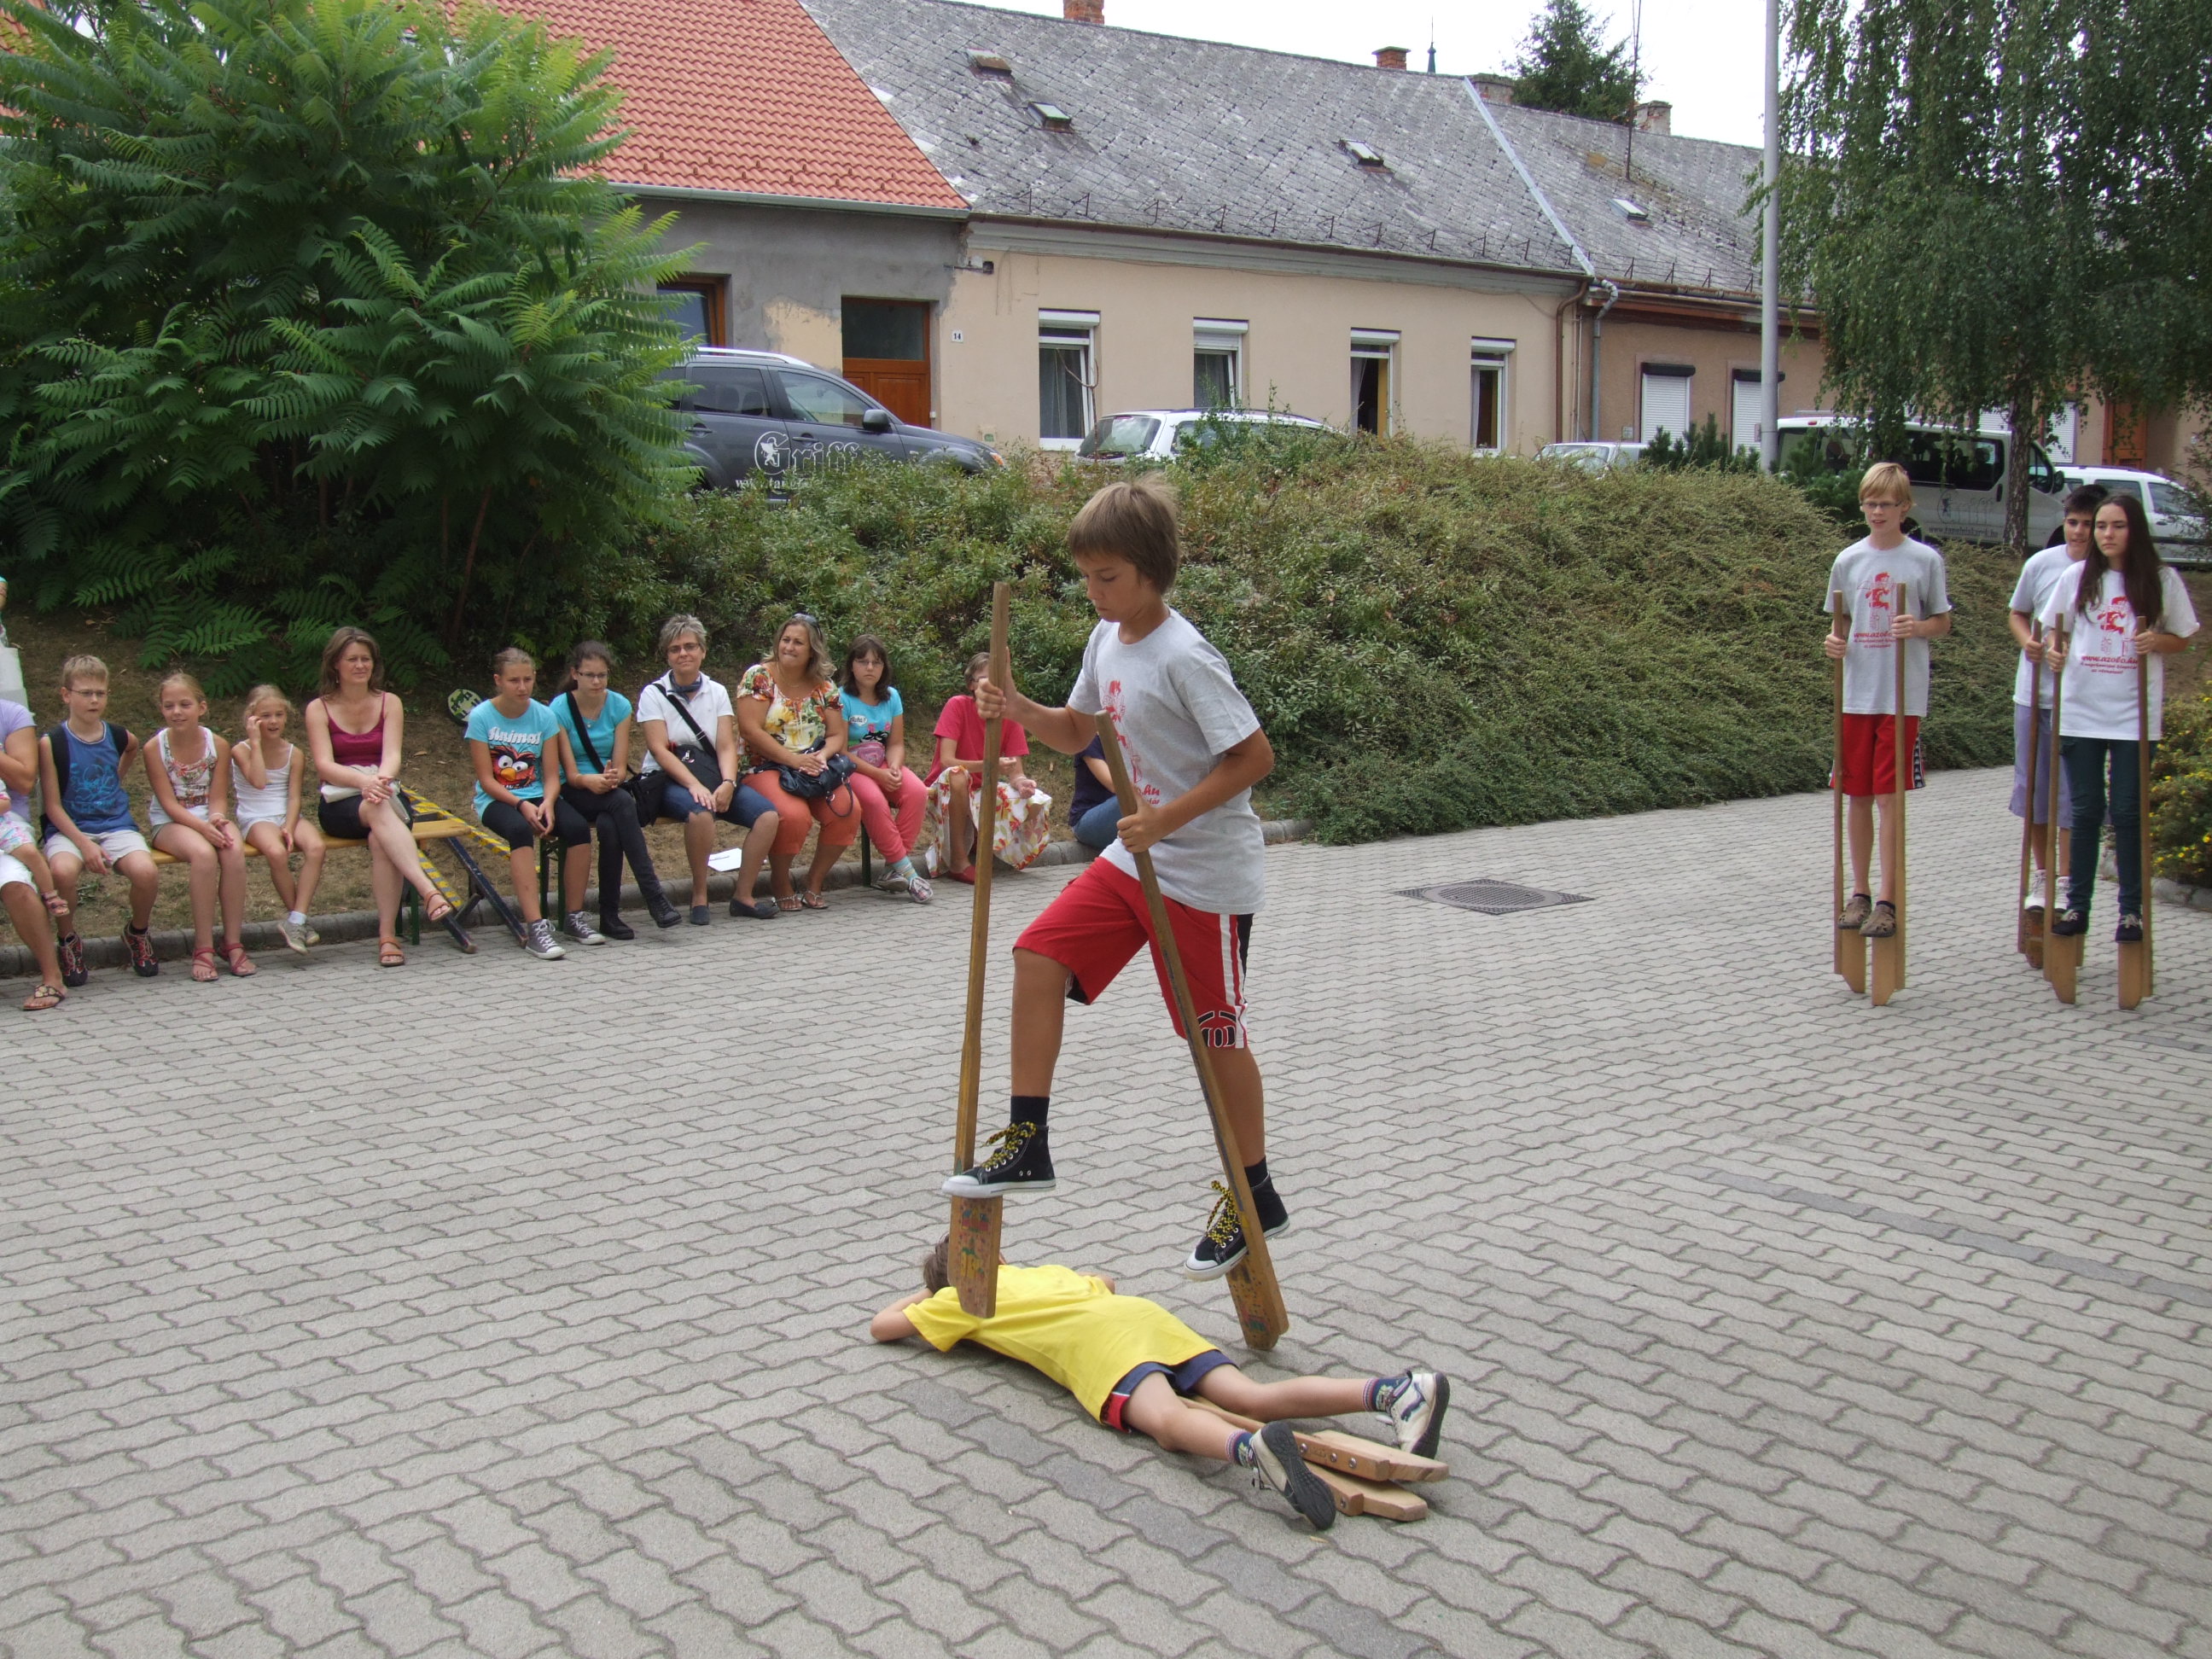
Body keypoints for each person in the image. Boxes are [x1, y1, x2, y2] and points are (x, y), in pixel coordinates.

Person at [943, 477, 1287, 1279]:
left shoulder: (1185, 656)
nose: (1095, 592)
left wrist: (1167, 819)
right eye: (1087, 577)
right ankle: (1030, 1140)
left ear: (1151, 570)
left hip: (1204, 875)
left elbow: (1253, 757)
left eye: (1109, 577)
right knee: (1039, 953)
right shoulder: (1107, 639)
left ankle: (1256, 1193)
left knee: (1214, 1037)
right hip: (1137, 859)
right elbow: (1076, 730)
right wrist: (1016, 708)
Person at [870, 1238, 1452, 1533]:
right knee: (1250, 1397)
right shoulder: (1039, 1273)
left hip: (1100, 1349)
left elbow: (882, 1327)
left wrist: (934, 1290)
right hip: (1143, 1318)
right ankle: (1397, 1392)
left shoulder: (961, 1299)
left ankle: (1251, 1451)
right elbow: (1106, 1280)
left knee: (1170, 1424)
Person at [2040, 492, 2199, 942]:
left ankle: (2132, 912)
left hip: (2134, 716)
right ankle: (2078, 907)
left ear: (2136, 530)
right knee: (2086, 810)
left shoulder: (2160, 579)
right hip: (2081, 712)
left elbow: (2183, 637)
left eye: (2118, 526)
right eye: (2101, 526)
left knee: (2128, 811)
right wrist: (2055, 649)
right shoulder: (2077, 576)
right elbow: (2054, 629)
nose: (2107, 535)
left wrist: (2157, 641)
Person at [1822, 463, 1953, 941]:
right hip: (1856, 695)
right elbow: (1840, 622)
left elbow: (1942, 622)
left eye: (1886, 504)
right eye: (1870, 503)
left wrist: (1917, 627)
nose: (1877, 512)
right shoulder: (1848, 560)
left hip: (1901, 697)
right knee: (1855, 794)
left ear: (1904, 508)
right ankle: (1859, 891)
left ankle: (1888, 899)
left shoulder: (1924, 560)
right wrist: (1834, 642)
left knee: (1888, 797)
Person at [306, 626, 466, 967]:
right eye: (352, 659)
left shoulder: (390, 702)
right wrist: (364, 782)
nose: (360, 665)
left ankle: (388, 937)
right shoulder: (318, 708)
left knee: (381, 837)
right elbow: (324, 765)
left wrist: (379, 780)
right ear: (335, 664)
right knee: (376, 807)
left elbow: (392, 755)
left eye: (366, 659)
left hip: (383, 789)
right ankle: (427, 890)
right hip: (340, 799)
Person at [636, 615, 779, 925]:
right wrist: (694, 786)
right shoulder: (653, 694)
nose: (683, 654)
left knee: (767, 816)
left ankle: (743, 896)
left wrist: (728, 782)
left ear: (702, 651)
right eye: (675, 649)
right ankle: (699, 895)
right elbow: (660, 750)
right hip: (669, 778)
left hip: (712, 773)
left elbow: (726, 745)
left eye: (690, 646)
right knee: (700, 813)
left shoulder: (716, 691)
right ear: (667, 655)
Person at [2006, 486, 2103, 918]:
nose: (2079, 532)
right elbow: (2018, 612)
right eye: (2073, 522)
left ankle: (2066, 879)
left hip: (2079, 700)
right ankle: (2042, 873)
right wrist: (2028, 642)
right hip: (2034, 694)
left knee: (2069, 794)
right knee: (2034, 790)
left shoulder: (2107, 574)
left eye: (2088, 524)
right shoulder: (2042, 564)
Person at [39, 655, 161, 985]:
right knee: (62, 871)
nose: (94, 700)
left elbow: (133, 747)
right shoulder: (53, 743)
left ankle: (137, 932)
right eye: (86, 693)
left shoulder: (117, 735)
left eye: (100, 693)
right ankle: (68, 940)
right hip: (69, 829)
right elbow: (52, 807)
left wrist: (115, 780)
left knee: (147, 872)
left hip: (115, 824)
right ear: (66, 695)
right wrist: (84, 845)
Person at [550, 642, 681, 937]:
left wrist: (611, 778)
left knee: (611, 823)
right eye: (590, 675)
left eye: (602, 675)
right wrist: (590, 781)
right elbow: (569, 773)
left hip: (608, 789)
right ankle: (654, 896)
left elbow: (621, 767)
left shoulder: (619, 706)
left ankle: (609, 916)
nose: (597, 682)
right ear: (575, 674)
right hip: (573, 788)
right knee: (621, 803)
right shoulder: (559, 708)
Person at [736, 614, 862, 911]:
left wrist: (821, 756)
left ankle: (814, 881)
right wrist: (794, 760)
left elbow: (836, 735)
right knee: (794, 816)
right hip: (765, 764)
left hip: (812, 765)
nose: (789, 647)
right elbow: (750, 730)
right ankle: (780, 881)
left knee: (848, 811)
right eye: (786, 640)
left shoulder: (825, 687)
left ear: (812, 650)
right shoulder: (759, 677)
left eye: (798, 643)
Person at [143, 671, 254, 981]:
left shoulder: (217, 744)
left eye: (185, 704)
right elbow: (169, 804)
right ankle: (203, 947)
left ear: (201, 707)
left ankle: (232, 943)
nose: (177, 712)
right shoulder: (154, 748)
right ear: (162, 709)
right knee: (204, 855)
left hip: (207, 815)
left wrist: (216, 818)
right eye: (169, 706)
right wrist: (203, 829)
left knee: (233, 850)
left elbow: (218, 797)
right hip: (171, 821)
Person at [464, 648, 573, 960]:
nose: (522, 687)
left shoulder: (545, 716)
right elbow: (487, 780)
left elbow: (551, 775)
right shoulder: (481, 716)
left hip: (537, 792)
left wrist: (549, 802)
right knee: (519, 830)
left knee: (576, 827)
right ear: (498, 681)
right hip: (497, 797)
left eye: (528, 679)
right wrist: (521, 805)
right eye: (514, 681)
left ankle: (574, 916)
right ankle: (536, 926)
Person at [926, 649, 1052, 882]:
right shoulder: (958, 705)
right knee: (957, 775)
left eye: (997, 679)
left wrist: (1023, 784)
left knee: (1037, 801)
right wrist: (989, 766)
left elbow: (1016, 771)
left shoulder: (1009, 716)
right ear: (972, 684)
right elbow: (947, 762)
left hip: (982, 790)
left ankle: (982, 844)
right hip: (946, 788)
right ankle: (958, 861)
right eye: (985, 679)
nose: (992, 686)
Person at [231, 684, 325, 955]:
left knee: (317, 847)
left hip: (285, 813)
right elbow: (259, 781)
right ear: (252, 718)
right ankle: (299, 921)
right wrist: (256, 743)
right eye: (265, 716)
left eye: (279, 715)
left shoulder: (295, 754)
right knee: (276, 852)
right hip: (255, 815)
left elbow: (294, 798)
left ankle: (296, 919)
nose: (273, 721)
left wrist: (289, 827)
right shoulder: (241, 750)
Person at [837, 634, 930, 903]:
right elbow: (841, 751)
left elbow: (896, 743)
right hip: (852, 768)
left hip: (883, 763)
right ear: (851, 665)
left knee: (917, 792)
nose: (870, 668)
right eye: (863, 661)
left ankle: (892, 870)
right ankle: (910, 875)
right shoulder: (841, 698)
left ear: (884, 667)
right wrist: (878, 774)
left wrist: (895, 767)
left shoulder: (892, 697)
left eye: (876, 662)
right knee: (874, 801)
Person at [0, 691, 69, 1010]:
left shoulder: (12, 715)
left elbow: (25, 781)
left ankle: (52, 978)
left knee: (15, 885)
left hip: (6, 823)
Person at [1068, 734, 1121, 852]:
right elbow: (1115, 786)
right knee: (1133, 798)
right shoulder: (1089, 741)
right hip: (1086, 820)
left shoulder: (1130, 744)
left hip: (1120, 820)